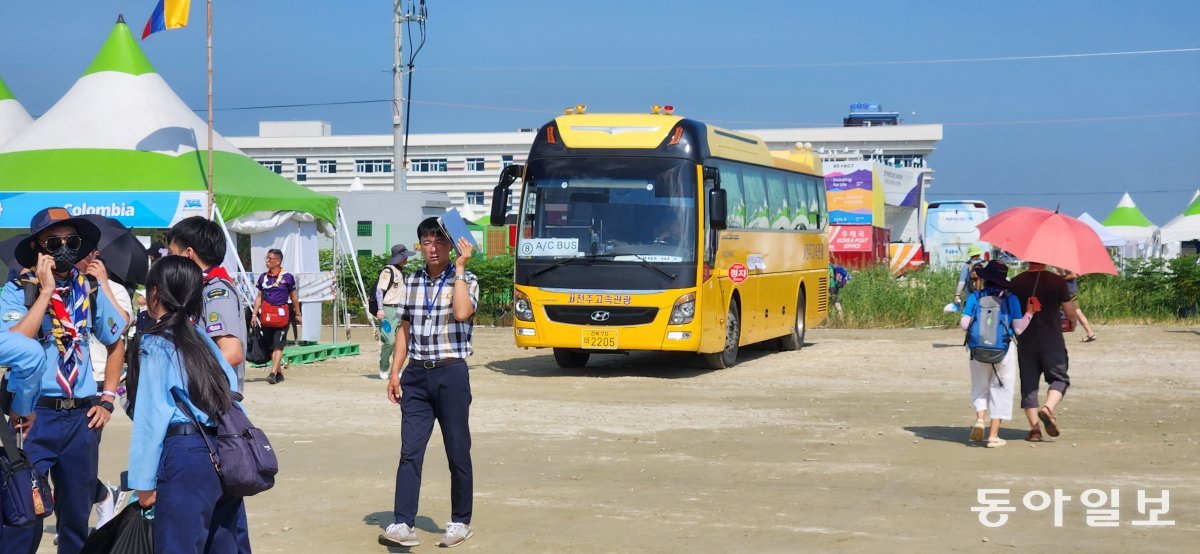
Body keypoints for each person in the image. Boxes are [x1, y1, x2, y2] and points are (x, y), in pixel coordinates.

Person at [0, 207, 128, 553]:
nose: (64, 248)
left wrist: (108, 397)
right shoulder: (18, 290)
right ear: (38, 250)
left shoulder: (88, 290)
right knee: (22, 515)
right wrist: (44, 293)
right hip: (33, 417)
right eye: (53, 242)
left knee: (75, 518)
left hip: (81, 418)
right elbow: (14, 344)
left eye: (71, 241)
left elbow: (117, 340)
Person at [125, 256, 247, 553]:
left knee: (179, 544)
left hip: (184, 454)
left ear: (155, 293)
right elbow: (230, 388)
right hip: (223, 451)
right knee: (224, 543)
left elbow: (151, 416)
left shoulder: (154, 343)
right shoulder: (203, 339)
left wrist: (142, 480)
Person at [380, 217, 479, 549]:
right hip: (417, 376)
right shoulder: (412, 281)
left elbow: (463, 313)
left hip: (451, 373)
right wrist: (395, 372)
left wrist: (462, 270)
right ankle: (402, 523)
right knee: (410, 451)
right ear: (419, 246)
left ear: (451, 245)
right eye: (426, 242)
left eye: (439, 241)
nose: (432, 248)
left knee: (457, 450)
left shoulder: (467, 280)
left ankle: (460, 521)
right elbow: (403, 330)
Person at [167, 216, 248, 390]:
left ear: (188, 253)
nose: (170, 262)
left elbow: (231, 353)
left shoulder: (215, 291)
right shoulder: (198, 288)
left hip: (212, 401)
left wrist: (179, 377)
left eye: (172, 255)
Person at [959, 261, 1034, 448]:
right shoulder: (1012, 299)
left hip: (977, 350)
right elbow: (1018, 329)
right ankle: (993, 436)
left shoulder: (975, 297)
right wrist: (1030, 313)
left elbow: (964, 325)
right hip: (1003, 351)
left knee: (980, 386)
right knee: (1001, 389)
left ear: (985, 278)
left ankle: (979, 419)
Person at [1008, 261, 1079, 442]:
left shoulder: (1016, 282)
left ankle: (1035, 431)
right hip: (1052, 339)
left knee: (1029, 386)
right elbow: (1070, 311)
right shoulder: (1057, 281)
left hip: (1026, 341)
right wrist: (1072, 323)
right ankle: (1048, 408)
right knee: (1059, 379)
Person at [252, 248, 299, 384]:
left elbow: (294, 297)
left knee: (278, 345)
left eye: (270, 259)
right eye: (266, 258)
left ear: (278, 261)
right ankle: (279, 373)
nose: (267, 261)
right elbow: (259, 297)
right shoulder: (263, 277)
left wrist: (297, 313)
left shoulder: (287, 277)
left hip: (282, 317)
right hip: (267, 316)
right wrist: (255, 314)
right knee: (271, 346)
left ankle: (272, 373)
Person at [376, 243, 413, 380]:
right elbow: (380, 290)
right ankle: (384, 367)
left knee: (401, 342)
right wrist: (380, 309)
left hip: (400, 310)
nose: (406, 260)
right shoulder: (388, 271)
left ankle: (396, 370)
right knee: (389, 341)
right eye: (405, 257)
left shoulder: (400, 272)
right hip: (388, 310)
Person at [1062, 270, 1097, 342]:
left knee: (1077, 311)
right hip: (1070, 290)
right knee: (1077, 311)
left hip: (1069, 290)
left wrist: (1060, 278)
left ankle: (1090, 333)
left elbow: (1074, 275)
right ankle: (1090, 333)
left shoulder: (1068, 263)